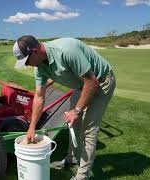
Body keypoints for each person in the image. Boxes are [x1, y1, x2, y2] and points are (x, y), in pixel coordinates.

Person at [12, 35, 116, 180]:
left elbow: (92, 82)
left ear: (35, 51)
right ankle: (72, 158)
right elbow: (39, 96)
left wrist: (77, 111)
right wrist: (32, 127)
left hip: (101, 81)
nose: (27, 65)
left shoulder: (66, 51)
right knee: (73, 124)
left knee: (88, 130)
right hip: (81, 85)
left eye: (26, 60)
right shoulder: (39, 67)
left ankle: (82, 177)